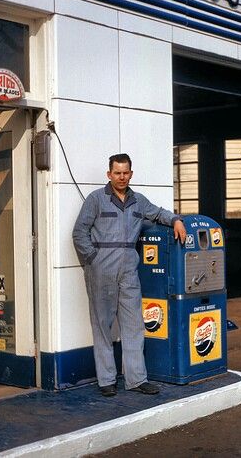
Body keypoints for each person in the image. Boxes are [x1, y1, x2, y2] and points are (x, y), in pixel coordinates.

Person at [72, 153, 186, 397]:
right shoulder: (96, 200)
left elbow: (158, 214)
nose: (121, 177)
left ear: (131, 174)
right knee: (102, 323)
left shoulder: (139, 201)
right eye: (117, 173)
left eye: (125, 173)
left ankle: (136, 379)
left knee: (134, 323)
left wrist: (176, 220)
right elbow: (79, 232)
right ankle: (106, 380)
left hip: (128, 268)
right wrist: (92, 259)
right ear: (109, 174)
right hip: (101, 266)